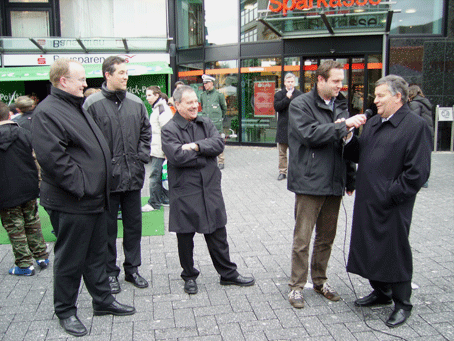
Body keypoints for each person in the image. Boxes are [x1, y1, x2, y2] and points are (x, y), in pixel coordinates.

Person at [31, 58, 135, 337]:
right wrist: (84, 186)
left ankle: (102, 302)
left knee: (96, 254)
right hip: (73, 202)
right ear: (63, 81)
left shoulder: (74, 106)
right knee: (70, 259)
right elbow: (54, 160)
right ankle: (65, 310)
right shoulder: (48, 112)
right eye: (80, 79)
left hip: (93, 199)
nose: (85, 83)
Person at [344, 75, 431, 328]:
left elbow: (418, 172)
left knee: (394, 250)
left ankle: (402, 303)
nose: (375, 99)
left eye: (381, 95)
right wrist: (349, 138)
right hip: (367, 200)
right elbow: (360, 153)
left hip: (393, 203)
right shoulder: (372, 123)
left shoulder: (416, 126)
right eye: (375, 94)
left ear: (398, 97)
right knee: (369, 246)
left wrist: (390, 193)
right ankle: (381, 292)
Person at [286, 60, 366, 309]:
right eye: (335, 81)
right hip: (310, 182)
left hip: (335, 181)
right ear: (320, 80)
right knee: (303, 238)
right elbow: (311, 135)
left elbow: (347, 145)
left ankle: (320, 281)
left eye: (341, 81)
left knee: (327, 238)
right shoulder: (301, 104)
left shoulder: (341, 105)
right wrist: (344, 125)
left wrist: (350, 178)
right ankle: (296, 287)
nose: (340, 86)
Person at [161, 85, 255, 295]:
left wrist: (194, 146)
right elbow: (177, 157)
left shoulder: (205, 121)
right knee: (185, 237)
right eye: (189, 102)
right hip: (185, 191)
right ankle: (189, 276)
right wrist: (205, 151)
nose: (195, 105)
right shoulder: (169, 129)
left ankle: (228, 274)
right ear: (177, 105)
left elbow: (218, 145)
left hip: (210, 188)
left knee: (217, 233)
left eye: (196, 101)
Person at [83, 56, 151, 294]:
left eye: (126, 72)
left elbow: (146, 132)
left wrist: (141, 156)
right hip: (107, 182)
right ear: (107, 75)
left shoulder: (136, 103)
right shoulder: (91, 104)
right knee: (107, 230)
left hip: (133, 176)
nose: (126, 76)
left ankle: (132, 270)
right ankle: (110, 273)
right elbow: (86, 141)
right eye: (121, 72)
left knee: (134, 227)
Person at [0, 101, 49, 276]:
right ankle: (41, 256)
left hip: (5, 192)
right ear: (9, 115)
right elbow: (37, 159)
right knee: (32, 222)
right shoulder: (25, 133)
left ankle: (24, 264)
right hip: (28, 186)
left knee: (15, 228)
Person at [142, 86, 173, 212]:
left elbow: (167, 131)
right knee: (161, 175)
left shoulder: (161, 109)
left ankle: (154, 203)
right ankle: (164, 199)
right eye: (146, 95)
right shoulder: (158, 108)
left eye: (149, 95)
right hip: (158, 149)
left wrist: (166, 150)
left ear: (157, 95)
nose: (147, 98)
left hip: (160, 150)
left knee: (155, 176)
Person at [274, 73, 302, 181]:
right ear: (285, 82)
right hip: (283, 128)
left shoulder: (300, 95)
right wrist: (286, 98)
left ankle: (295, 172)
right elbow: (277, 107)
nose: (290, 84)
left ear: (294, 82)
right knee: (282, 153)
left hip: (295, 128)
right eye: (288, 82)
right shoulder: (279, 94)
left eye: (292, 81)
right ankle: (282, 172)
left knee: (295, 152)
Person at [199, 74, 227, 169]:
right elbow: (203, 107)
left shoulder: (219, 95)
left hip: (216, 123)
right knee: (206, 142)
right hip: (206, 123)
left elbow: (224, 109)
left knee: (218, 141)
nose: (205, 85)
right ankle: (209, 160)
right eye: (204, 83)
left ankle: (221, 161)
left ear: (211, 83)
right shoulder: (202, 96)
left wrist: (219, 119)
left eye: (206, 83)